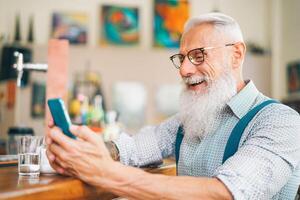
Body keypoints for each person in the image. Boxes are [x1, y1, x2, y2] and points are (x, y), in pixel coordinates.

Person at [46, 13, 300, 199]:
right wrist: (81, 149)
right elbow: (133, 147)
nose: (185, 69)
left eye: (198, 55)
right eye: (181, 58)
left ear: (236, 54)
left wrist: (106, 173)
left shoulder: (281, 122)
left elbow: (223, 193)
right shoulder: (187, 120)